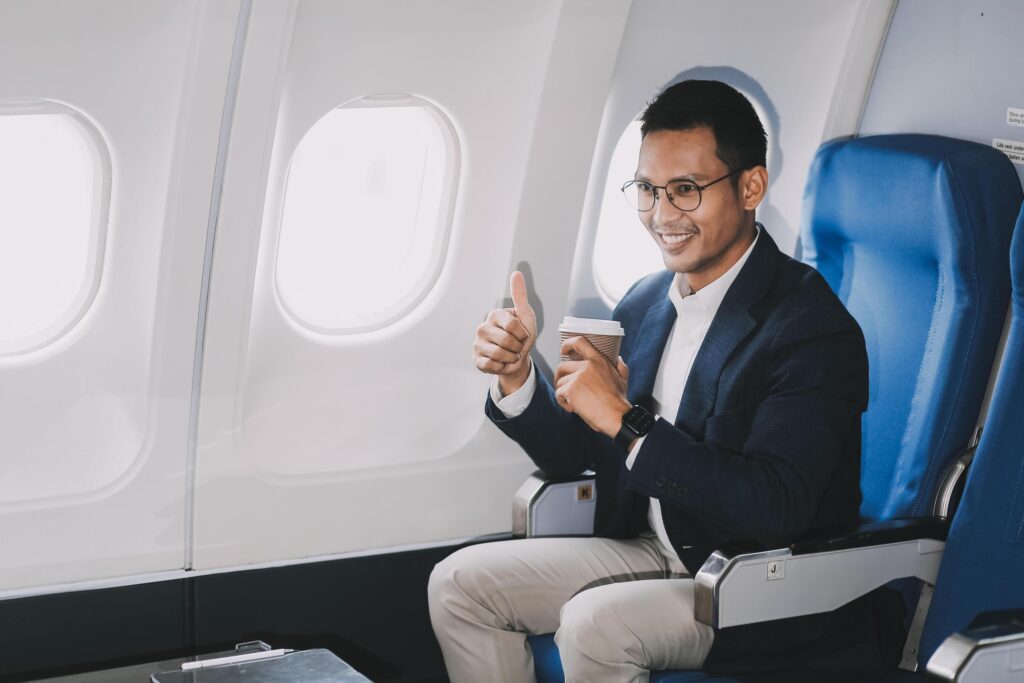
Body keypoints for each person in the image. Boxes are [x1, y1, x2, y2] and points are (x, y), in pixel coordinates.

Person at [429, 80, 891, 682]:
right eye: (647, 189)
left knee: (595, 623)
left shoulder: (808, 328)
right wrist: (519, 378)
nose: (661, 213)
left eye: (686, 190)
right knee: (460, 585)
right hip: (653, 549)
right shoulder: (648, 302)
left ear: (751, 186)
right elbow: (578, 456)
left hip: (754, 582)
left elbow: (773, 507)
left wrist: (626, 419)